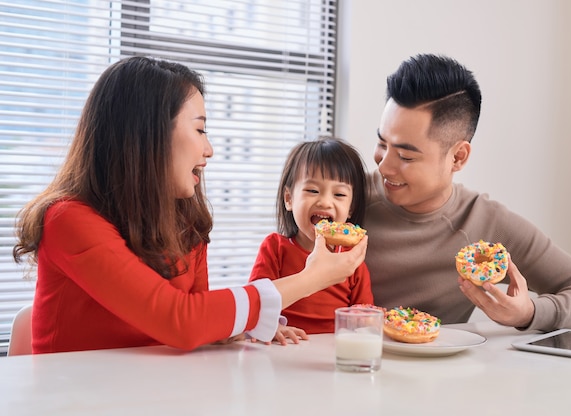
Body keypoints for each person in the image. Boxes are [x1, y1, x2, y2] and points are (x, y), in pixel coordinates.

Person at [12, 56, 367, 354]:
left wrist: (239, 325)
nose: (209, 149)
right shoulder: (68, 220)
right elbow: (180, 320)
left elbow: (198, 323)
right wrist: (313, 278)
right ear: (147, 135)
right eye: (200, 130)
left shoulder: (185, 222)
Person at [364, 53, 571, 331]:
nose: (384, 166)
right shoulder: (342, 199)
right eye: (381, 143)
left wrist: (528, 313)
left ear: (458, 157)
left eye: (405, 156)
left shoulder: (485, 224)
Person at [249, 137, 373, 341]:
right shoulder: (275, 248)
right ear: (289, 199)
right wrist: (270, 326)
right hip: (285, 347)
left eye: (339, 194)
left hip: (331, 352)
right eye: (312, 190)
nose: (325, 201)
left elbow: (363, 315)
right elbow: (256, 302)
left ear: (351, 208)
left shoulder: (351, 261)